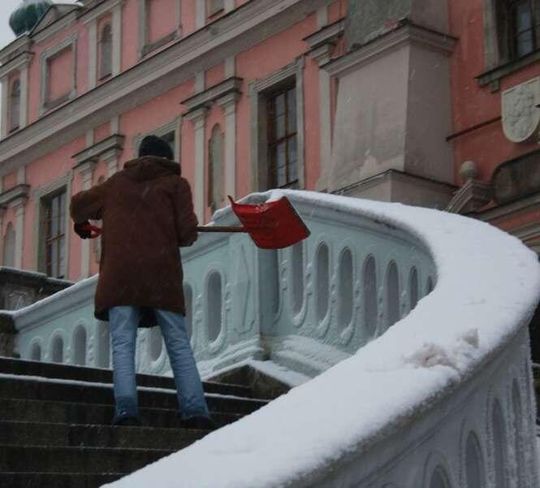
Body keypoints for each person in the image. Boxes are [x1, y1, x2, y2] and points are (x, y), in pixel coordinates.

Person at [70, 135, 213, 429]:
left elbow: (78, 206)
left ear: (140, 156)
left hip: (120, 277)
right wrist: (177, 229)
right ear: (167, 158)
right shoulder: (176, 184)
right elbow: (187, 233)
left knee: (123, 344)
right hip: (161, 276)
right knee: (177, 343)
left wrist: (84, 222)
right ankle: (195, 410)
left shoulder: (116, 183)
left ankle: (126, 410)